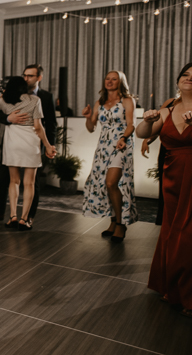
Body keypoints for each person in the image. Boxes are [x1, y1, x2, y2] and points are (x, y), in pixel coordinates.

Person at [137, 62, 192, 317]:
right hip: (173, 176)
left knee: (189, 232)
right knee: (172, 229)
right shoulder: (168, 110)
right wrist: (147, 120)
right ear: (178, 79)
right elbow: (142, 133)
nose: (189, 79)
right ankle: (170, 285)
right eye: (185, 74)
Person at [0, 65, 57, 222]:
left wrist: (48, 146)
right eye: (24, 75)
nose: (26, 78)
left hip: (20, 144)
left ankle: (23, 216)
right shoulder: (34, 100)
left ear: (39, 78)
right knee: (12, 180)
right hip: (27, 143)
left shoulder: (45, 97)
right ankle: (6, 214)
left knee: (25, 182)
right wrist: (9, 118)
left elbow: (51, 124)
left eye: (30, 76)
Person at [81, 70, 137, 242]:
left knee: (112, 182)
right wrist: (88, 117)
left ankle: (121, 224)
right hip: (103, 146)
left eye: (114, 79)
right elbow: (91, 128)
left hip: (121, 144)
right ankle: (113, 221)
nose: (110, 82)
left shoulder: (127, 100)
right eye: (107, 79)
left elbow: (131, 125)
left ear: (121, 82)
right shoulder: (100, 102)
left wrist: (123, 138)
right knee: (106, 185)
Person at [141, 96, 176, 226]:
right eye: (185, 75)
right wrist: (147, 140)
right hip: (168, 153)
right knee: (166, 189)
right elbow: (158, 125)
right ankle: (166, 224)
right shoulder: (170, 103)